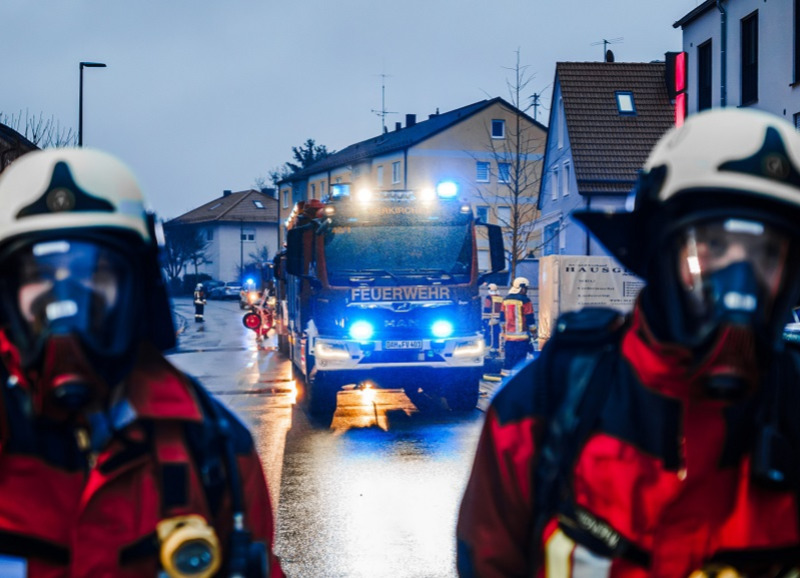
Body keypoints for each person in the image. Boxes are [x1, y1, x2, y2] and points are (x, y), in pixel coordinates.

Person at [457, 107, 800, 577]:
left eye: (766, 254)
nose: (739, 285)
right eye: (713, 247)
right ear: (658, 252)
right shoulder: (543, 409)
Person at [0, 148, 284, 577]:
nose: (65, 301)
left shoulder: (212, 450)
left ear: (137, 289)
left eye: (94, 273)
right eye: (39, 274)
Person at [499, 277, 536, 374]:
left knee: (508, 360)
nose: (526, 291)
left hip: (509, 339)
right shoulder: (525, 300)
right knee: (519, 361)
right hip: (521, 339)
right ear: (522, 287)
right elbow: (530, 318)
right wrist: (534, 332)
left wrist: (504, 331)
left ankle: (505, 379)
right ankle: (517, 380)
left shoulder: (505, 300)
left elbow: (502, 318)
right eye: (526, 288)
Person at [482, 283, 503, 356]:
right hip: (497, 318)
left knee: (489, 334)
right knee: (496, 333)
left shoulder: (489, 297)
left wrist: (484, 318)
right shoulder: (500, 297)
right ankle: (496, 348)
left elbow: (487, 308)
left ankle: (490, 349)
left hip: (490, 318)